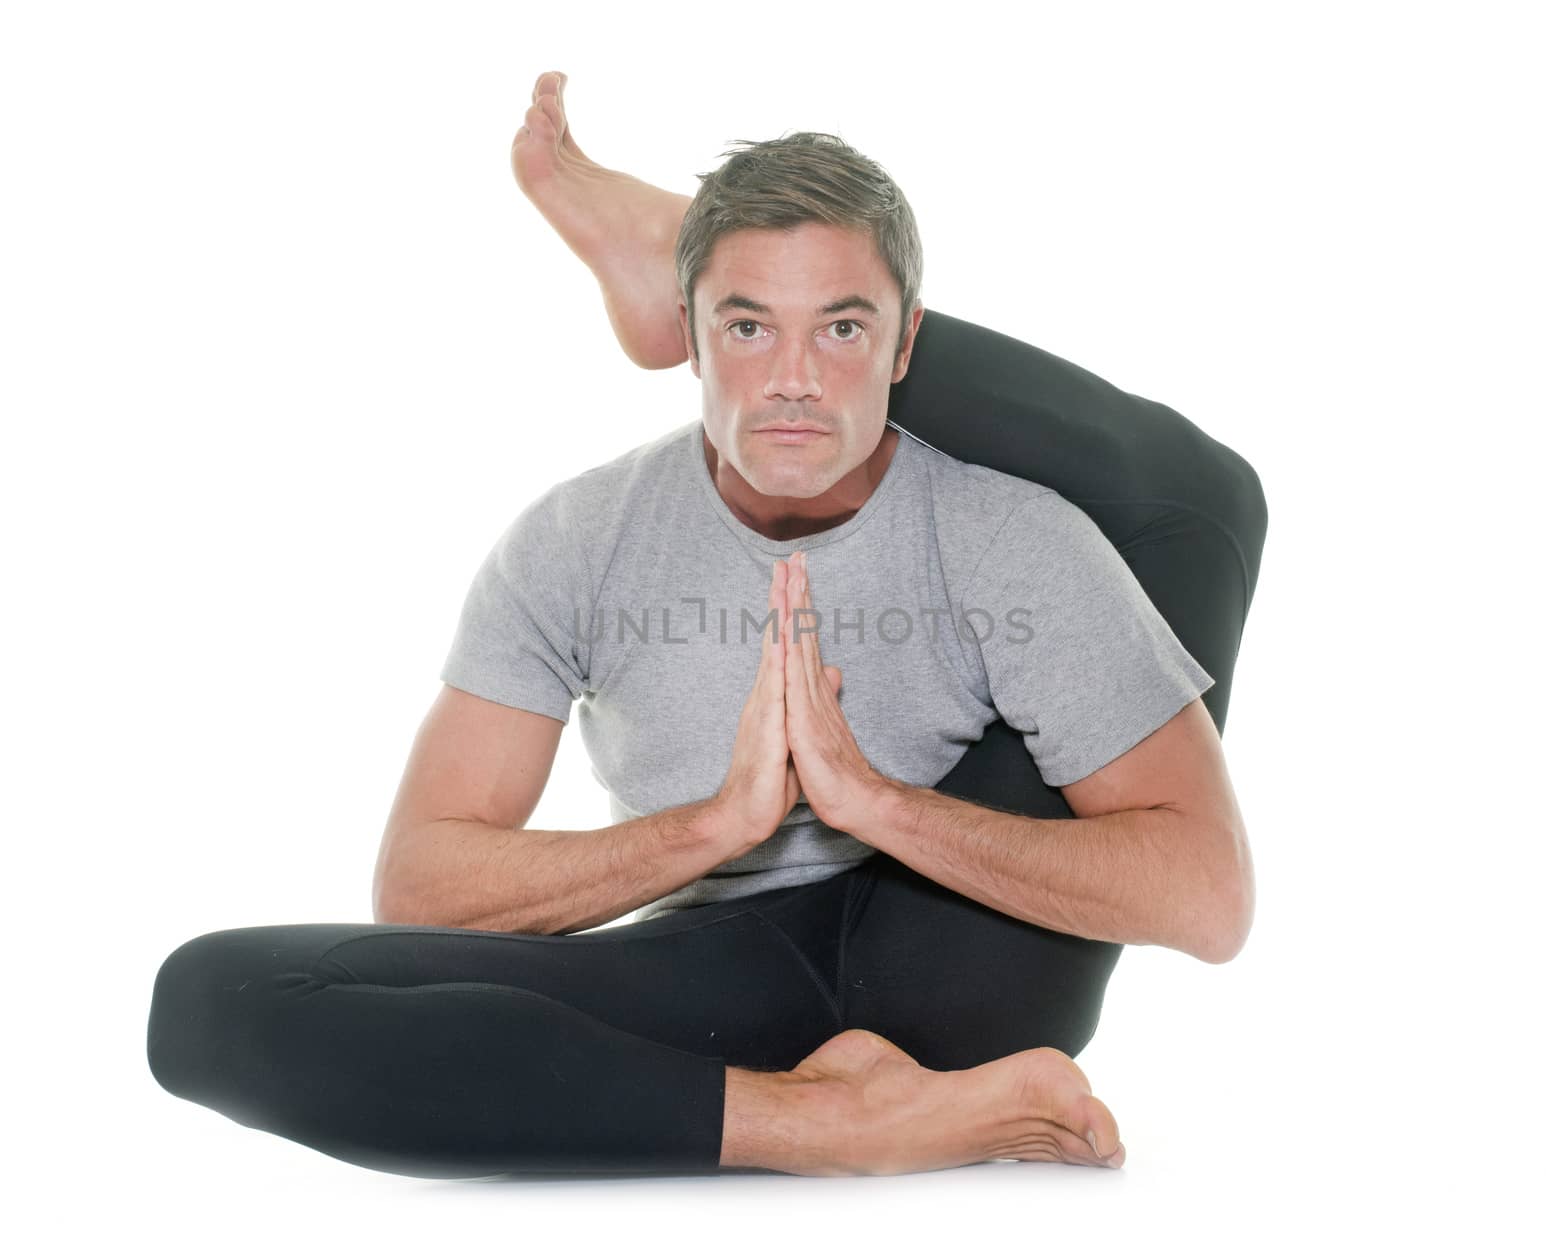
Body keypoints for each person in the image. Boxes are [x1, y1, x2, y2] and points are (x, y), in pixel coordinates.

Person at [145, 71, 1264, 1180]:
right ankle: (831, 1122)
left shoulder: (1008, 535)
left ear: (905, 345)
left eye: (841, 327)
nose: (790, 380)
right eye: (744, 323)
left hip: (964, 965)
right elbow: (422, 886)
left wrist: (874, 801)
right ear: (690, 334)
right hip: (719, 982)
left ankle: (692, 242)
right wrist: (713, 826)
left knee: (1202, 502)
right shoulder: (579, 538)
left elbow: (1209, 901)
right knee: (211, 997)